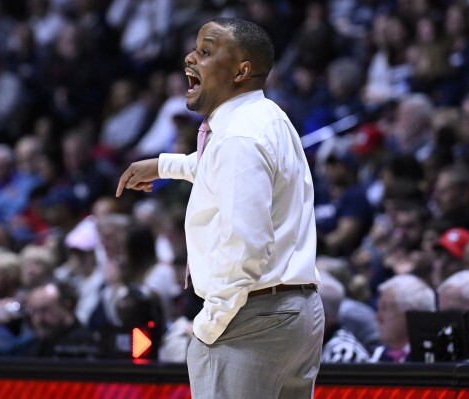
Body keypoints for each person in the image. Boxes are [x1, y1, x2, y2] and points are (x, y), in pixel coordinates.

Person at [116, 17, 323, 398]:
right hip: (295, 310)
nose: (190, 58)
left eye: (206, 51)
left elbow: (247, 247)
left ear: (242, 70)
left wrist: (209, 324)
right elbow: (218, 168)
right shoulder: (266, 117)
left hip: (249, 318)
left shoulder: (239, 138)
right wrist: (165, 165)